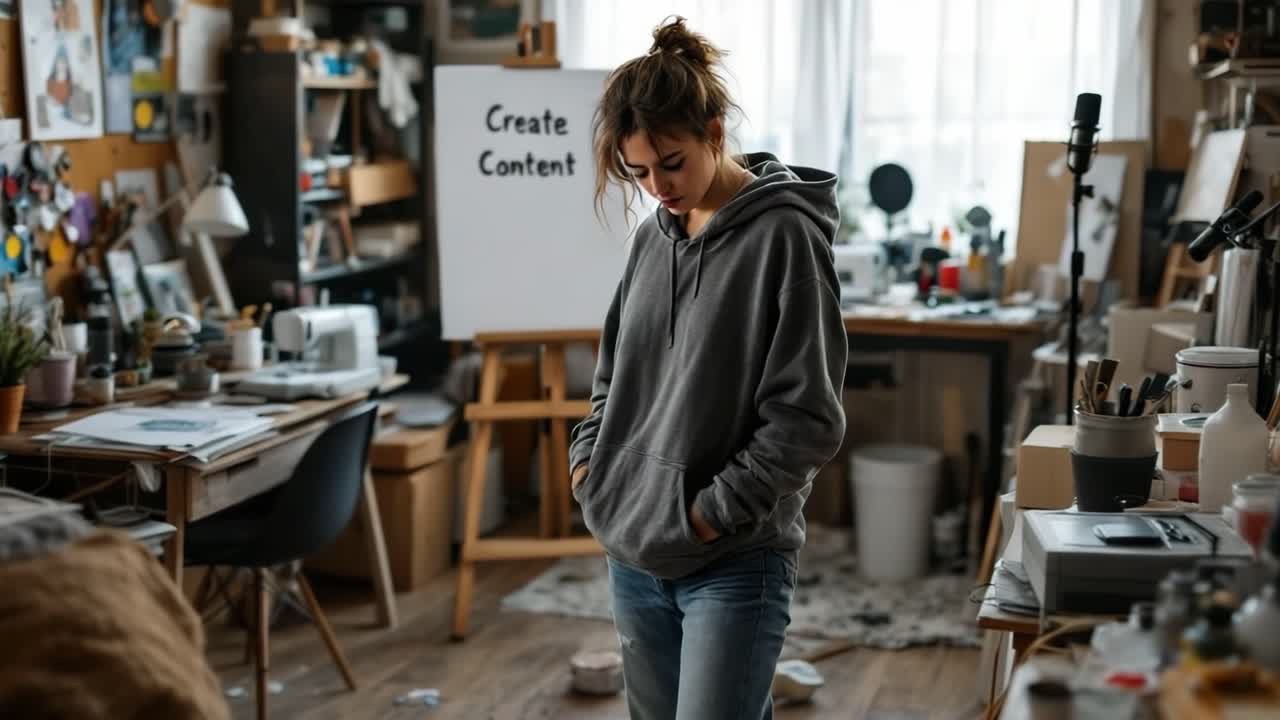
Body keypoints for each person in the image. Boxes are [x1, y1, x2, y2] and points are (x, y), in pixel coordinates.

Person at [568, 16, 847, 720]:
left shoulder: (784, 238)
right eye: (638, 171)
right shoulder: (650, 242)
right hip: (632, 554)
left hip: (733, 560)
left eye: (672, 162)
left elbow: (808, 419)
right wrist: (589, 469)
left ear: (714, 133)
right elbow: (612, 379)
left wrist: (708, 516)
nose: (657, 185)